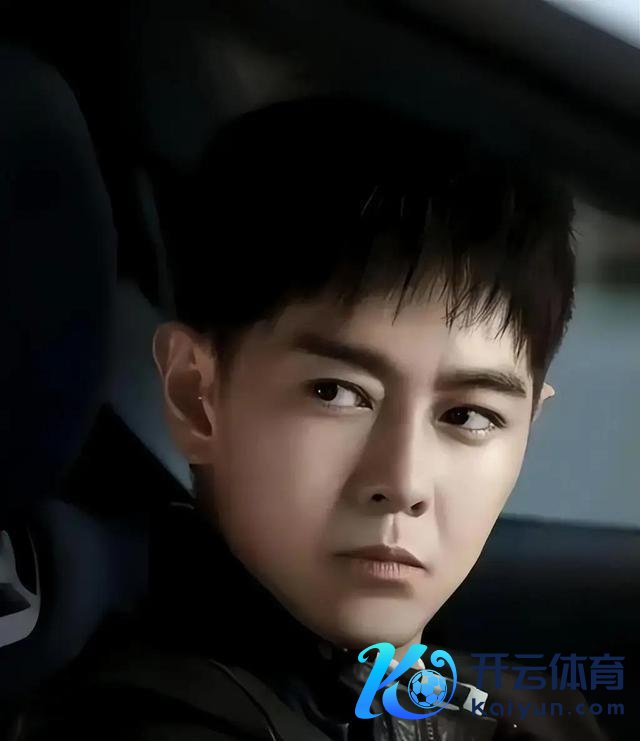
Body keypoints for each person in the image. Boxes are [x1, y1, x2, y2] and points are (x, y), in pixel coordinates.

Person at [16, 99, 609, 741]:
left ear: (529, 429)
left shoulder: (527, 711)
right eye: (336, 393)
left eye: (469, 415)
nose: (403, 484)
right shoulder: (138, 723)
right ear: (195, 396)